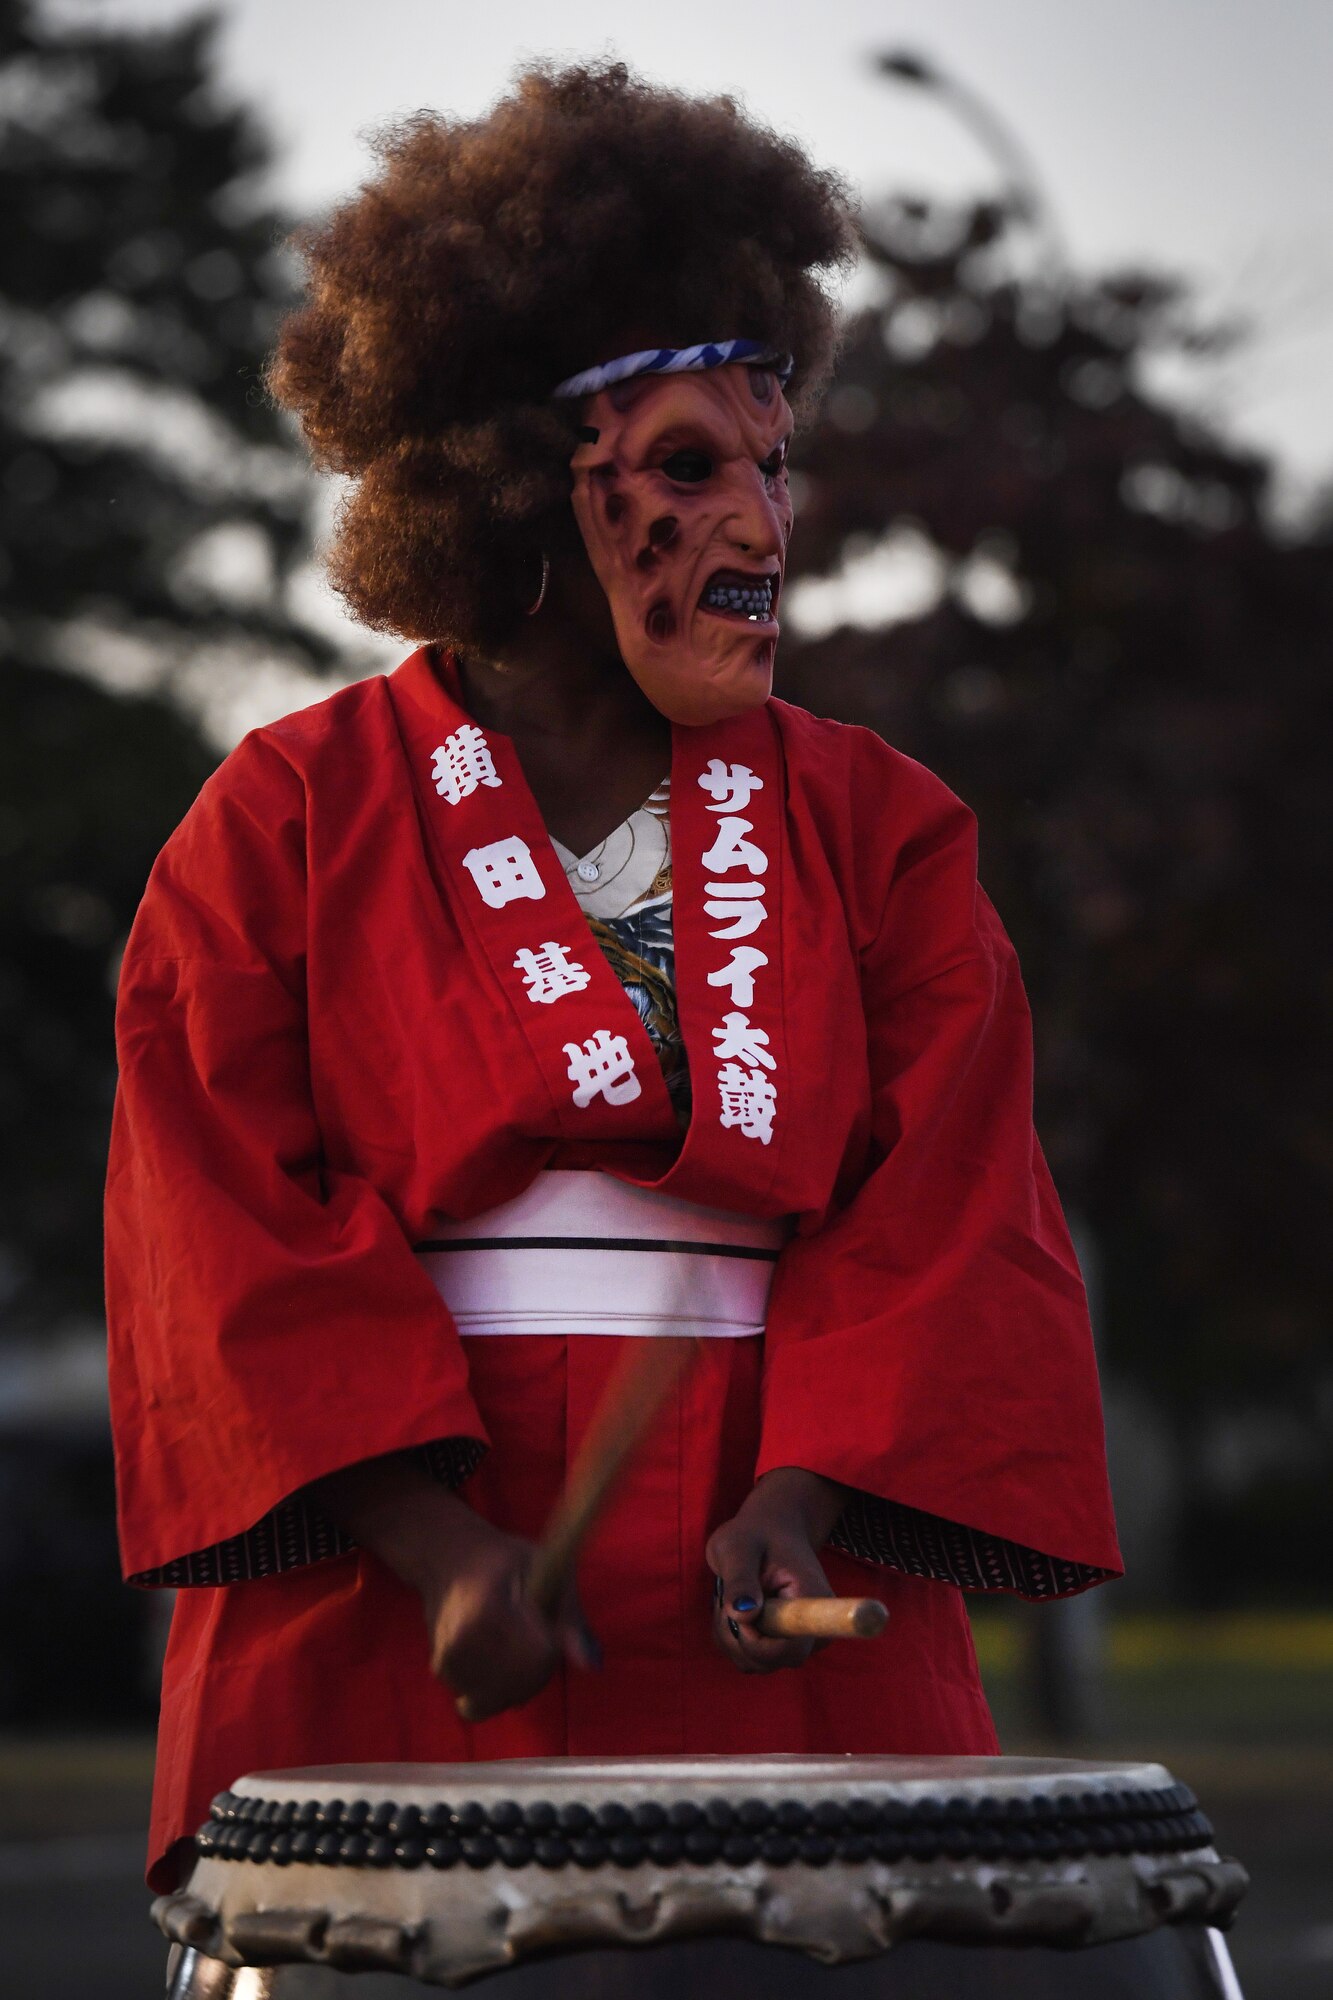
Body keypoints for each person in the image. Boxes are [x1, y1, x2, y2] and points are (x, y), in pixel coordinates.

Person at [106, 62, 1121, 1895]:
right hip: (394, 1581)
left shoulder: (884, 830)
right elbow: (216, 1238)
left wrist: (800, 1501)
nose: (758, 524)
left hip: (782, 1539)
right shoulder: (281, 816)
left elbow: (950, 1213)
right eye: (681, 468)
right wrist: (434, 1546)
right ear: (502, 485)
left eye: (772, 458)